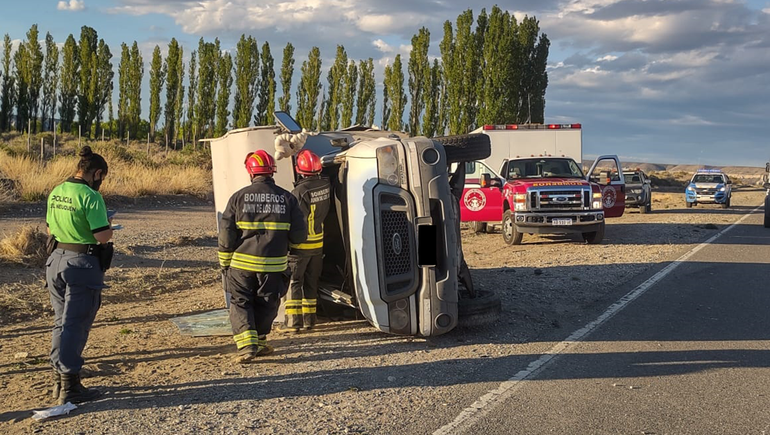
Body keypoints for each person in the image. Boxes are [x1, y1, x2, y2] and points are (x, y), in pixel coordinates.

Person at [218, 150, 307, 363]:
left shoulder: (238, 198)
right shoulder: (288, 198)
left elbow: (226, 235)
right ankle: (259, 341)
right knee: (268, 302)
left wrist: (225, 262)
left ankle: (248, 346)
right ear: (272, 171)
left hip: (241, 264)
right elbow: (299, 236)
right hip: (274, 265)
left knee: (241, 302)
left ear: (250, 171)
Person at [46, 145, 113, 404]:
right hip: (82, 263)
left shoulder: (57, 190)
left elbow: (50, 226)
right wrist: (110, 231)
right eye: (102, 178)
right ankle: (71, 384)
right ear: (97, 174)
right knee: (76, 324)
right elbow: (101, 235)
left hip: (56, 261)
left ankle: (58, 380)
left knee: (60, 321)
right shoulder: (91, 197)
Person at [279, 150, 331, 332]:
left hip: (301, 245)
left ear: (299, 170)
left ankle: (293, 323)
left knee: (294, 282)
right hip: (318, 243)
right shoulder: (325, 185)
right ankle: (310, 321)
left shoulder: (299, 191)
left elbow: (296, 221)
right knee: (311, 283)